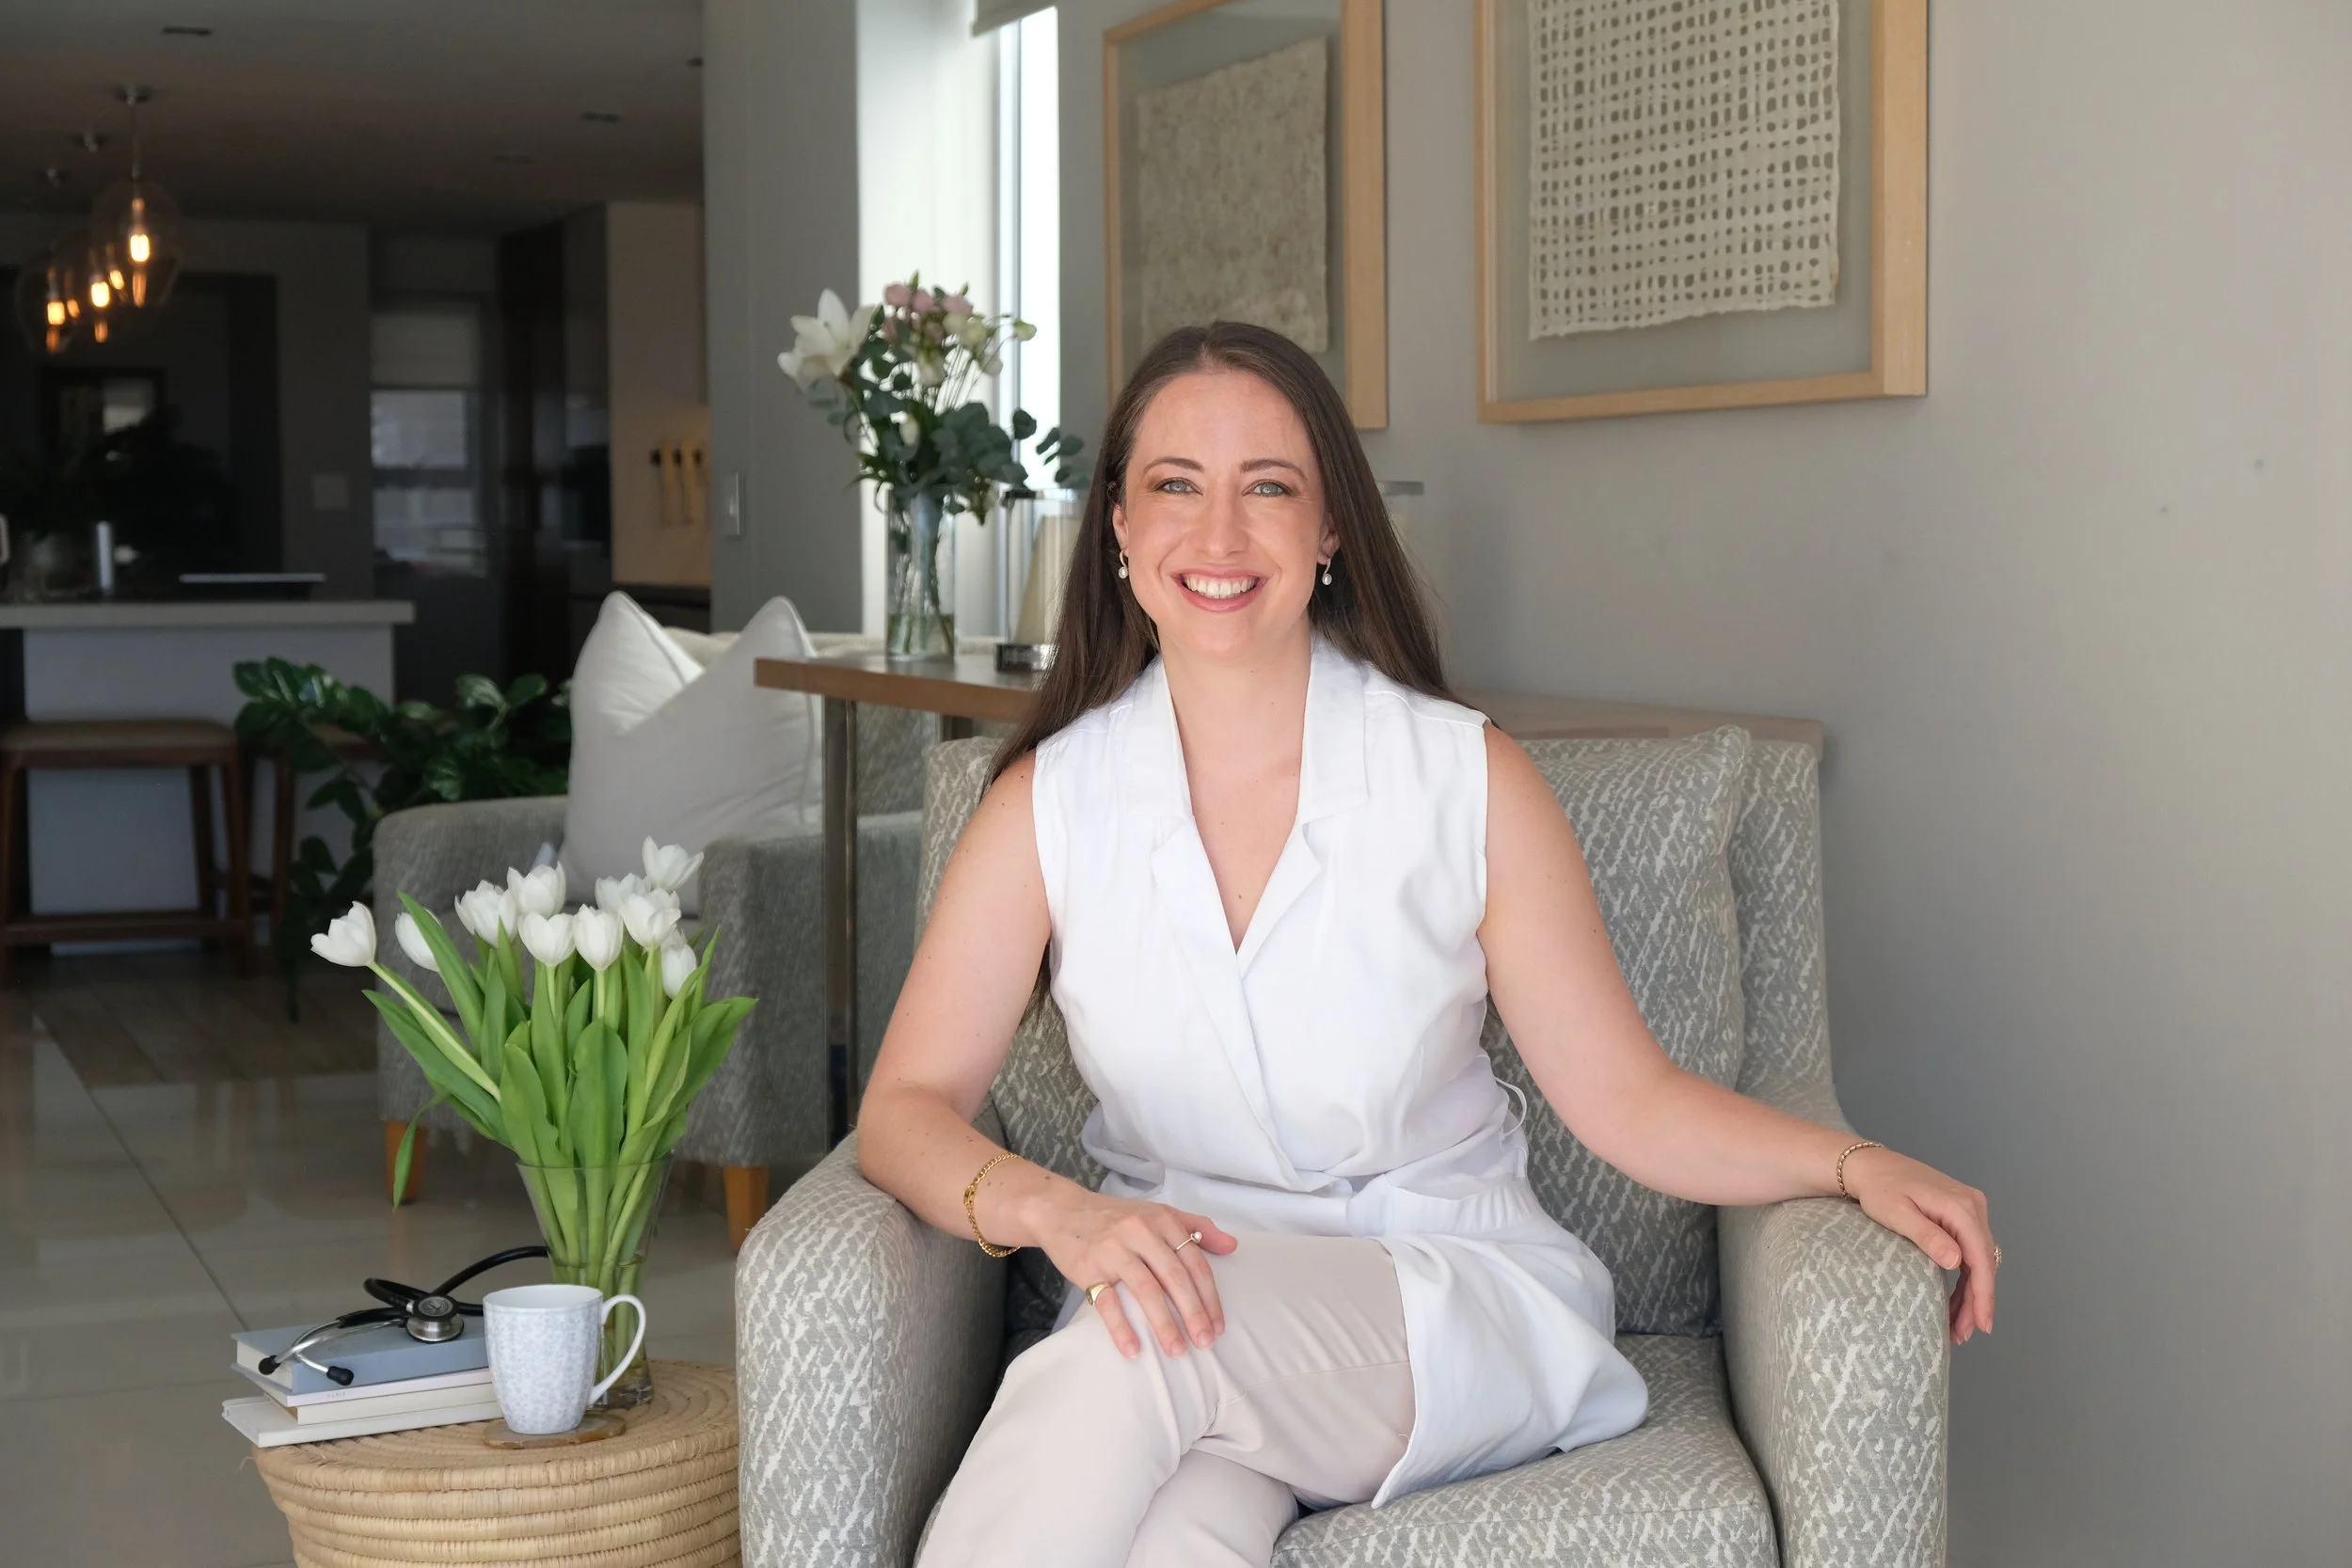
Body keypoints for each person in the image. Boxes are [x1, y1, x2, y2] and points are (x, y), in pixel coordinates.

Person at [858, 322, 1997, 1568]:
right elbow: (906, 1110)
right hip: (1183, 1307)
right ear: (1120, 527)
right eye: (1177, 485)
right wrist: (1057, 1215)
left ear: (1330, 531)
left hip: (1434, 1301)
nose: (1219, 534)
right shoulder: (1049, 804)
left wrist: (1850, 1163)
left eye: (1268, 488)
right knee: (1174, 1540)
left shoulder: (1463, 779)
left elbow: (1630, 1100)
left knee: (1126, 1362)